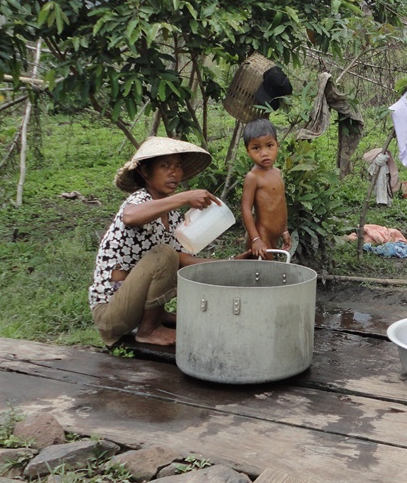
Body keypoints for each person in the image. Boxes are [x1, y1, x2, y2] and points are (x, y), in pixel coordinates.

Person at [88, 136, 249, 347]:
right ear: (145, 172)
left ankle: (157, 317)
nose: (174, 173)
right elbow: (130, 216)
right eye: (165, 166)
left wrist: (230, 263)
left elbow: (182, 259)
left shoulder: (171, 215)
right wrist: (184, 197)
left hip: (132, 306)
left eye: (178, 166)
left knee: (177, 265)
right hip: (111, 311)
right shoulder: (140, 200)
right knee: (165, 255)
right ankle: (148, 330)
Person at [241, 119, 294, 259]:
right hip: (261, 234)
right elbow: (246, 209)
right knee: (263, 273)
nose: (264, 153)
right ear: (248, 151)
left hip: (275, 234)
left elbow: (280, 203)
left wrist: (285, 231)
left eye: (269, 145)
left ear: (277, 145)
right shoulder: (253, 177)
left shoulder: (278, 173)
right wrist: (255, 239)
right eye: (256, 148)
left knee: (269, 273)